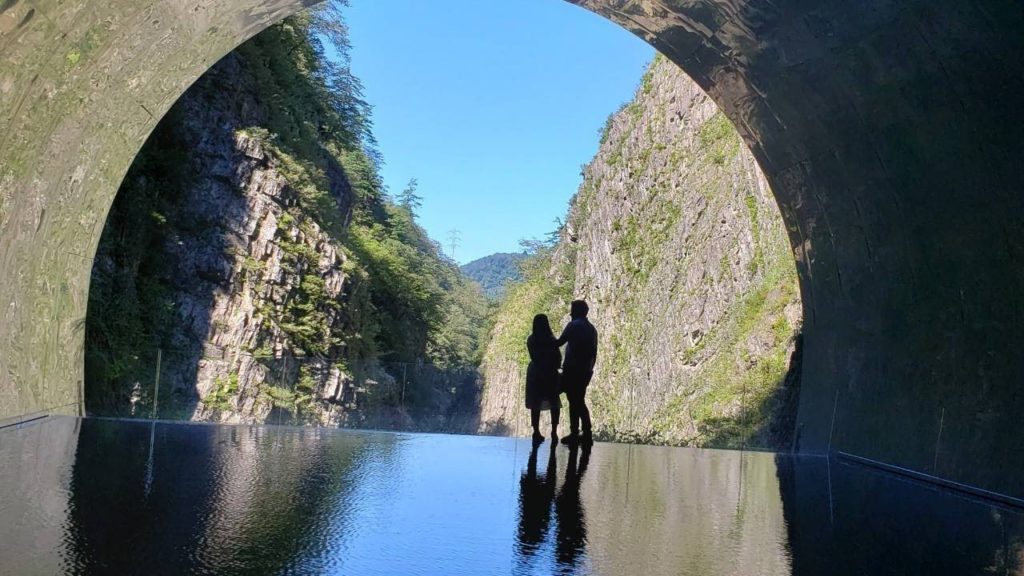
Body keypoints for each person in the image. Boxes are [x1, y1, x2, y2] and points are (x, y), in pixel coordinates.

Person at [556, 300, 598, 446]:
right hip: (585, 370)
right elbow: (594, 352)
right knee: (579, 400)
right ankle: (586, 432)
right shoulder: (592, 329)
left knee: (574, 401)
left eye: (572, 310)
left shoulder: (573, 325)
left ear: (578, 311)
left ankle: (576, 432)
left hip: (572, 369)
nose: (570, 313)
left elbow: (559, 342)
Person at [526, 314, 561, 444]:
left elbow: (534, 356)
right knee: (554, 401)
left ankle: (536, 431)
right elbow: (558, 358)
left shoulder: (531, 339)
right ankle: (554, 430)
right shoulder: (551, 340)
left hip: (535, 372)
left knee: (535, 403)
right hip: (550, 372)